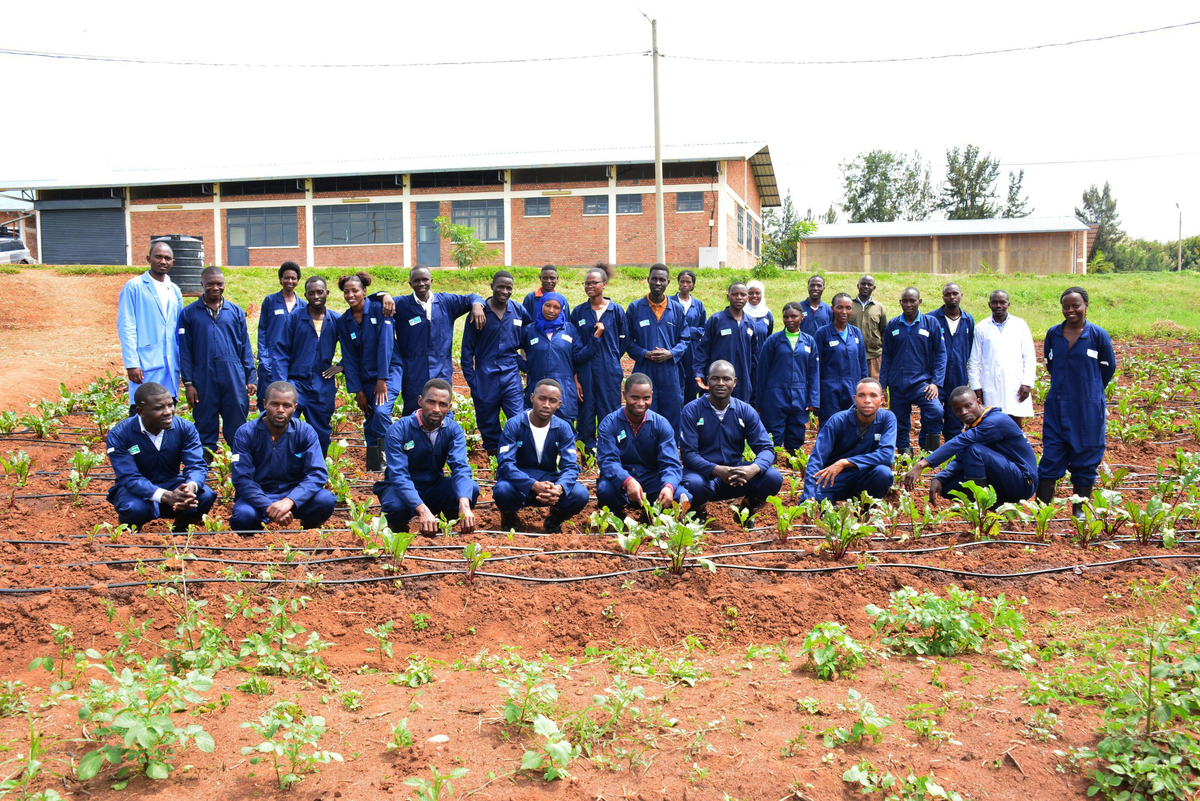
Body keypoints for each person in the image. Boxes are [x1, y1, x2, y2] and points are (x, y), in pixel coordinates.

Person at [1036, 287, 1117, 519]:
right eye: (1066, 306)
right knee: (1051, 456)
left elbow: (1108, 368)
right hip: (1057, 405)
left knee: (1086, 456)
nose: (1070, 310)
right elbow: (1051, 364)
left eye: (1075, 305)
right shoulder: (1053, 334)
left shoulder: (1098, 335)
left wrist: (1089, 390)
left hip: (1087, 408)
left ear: (1086, 306)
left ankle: (1079, 510)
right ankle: (1041, 511)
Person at [375, 378, 480, 535]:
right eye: (431, 402)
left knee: (470, 489)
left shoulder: (453, 430)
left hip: (434, 486)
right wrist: (422, 509)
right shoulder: (398, 430)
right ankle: (399, 526)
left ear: (449, 408)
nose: (436, 409)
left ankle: (442, 524)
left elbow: (460, 467)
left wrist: (464, 504)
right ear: (420, 401)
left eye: (442, 404)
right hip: (402, 488)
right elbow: (399, 476)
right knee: (394, 506)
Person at [680, 361, 783, 519]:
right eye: (715, 378)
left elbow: (766, 448)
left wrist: (753, 469)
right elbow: (688, 454)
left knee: (773, 477)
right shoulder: (692, 410)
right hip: (705, 477)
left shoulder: (745, 410)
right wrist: (715, 469)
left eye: (726, 379)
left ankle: (747, 510)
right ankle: (698, 513)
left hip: (737, 476)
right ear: (707, 381)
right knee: (692, 484)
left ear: (734, 382)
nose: (721, 383)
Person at [105, 381, 214, 530]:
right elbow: (129, 476)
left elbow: (196, 465)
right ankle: (129, 538)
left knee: (204, 496)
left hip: (172, 482)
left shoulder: (185, 428)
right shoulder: (120, 435)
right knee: (134, 508)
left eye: (170, 405)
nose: (168, 411)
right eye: (159, 408)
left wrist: (190, 488)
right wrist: (164, 495)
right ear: (141, 412)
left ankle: (180, 531)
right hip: (134, 490)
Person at [229, 381, 336, 532]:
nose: (280, 410)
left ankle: (309, 529)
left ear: (295, 407)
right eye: (275, 404)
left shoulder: (305, 432)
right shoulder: (245, 433)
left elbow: (317, 473)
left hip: (294, 495)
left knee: (325, 501)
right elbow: (242, 479)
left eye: (286, 405)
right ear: (265, 404)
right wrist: (268, 506)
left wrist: (290, 500)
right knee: (243, 516)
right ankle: (255, 540)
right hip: (259, 496)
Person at [903, 386, 1037, 505]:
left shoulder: (995, 421)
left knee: (974, 450)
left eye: (968, 406)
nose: (964, 412)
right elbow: (961, 458)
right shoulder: (974, 425)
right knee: (947, 487)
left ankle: (979, 509)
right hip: (1006, 474)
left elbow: (961, 441)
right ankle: (998, 506)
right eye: (958, 410)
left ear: (978, 402)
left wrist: (922, 464)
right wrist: (940, 478)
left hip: (1023, 481)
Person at [177, 266, 256, 455]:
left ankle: (238, 469)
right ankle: (204, 470)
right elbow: (185, 350)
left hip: (233, 376)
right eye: (210, 284)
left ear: (224, 285)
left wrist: (251, 377)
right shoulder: (189, 313)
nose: (215, 287)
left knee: (237, 424)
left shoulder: (235, 312)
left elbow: (245, 346)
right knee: (204, 424)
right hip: (203, 378)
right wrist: (188, 383)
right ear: (202, 284)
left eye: (219, 284)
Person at [493, 379, 590, 533]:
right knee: (502, 490)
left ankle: (555, 518)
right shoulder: (514, 425)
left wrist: (559, 488)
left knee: (580, 494)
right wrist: (532, 485)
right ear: (532, 398)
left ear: (559, 404)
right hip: (520, 482)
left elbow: (570, 466)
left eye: (552, 401)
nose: (546, 405)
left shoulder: (563, 428)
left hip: (549, 481)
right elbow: (505, 465)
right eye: (542, 398)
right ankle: (509, 517)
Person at [392, 266, 485, 415]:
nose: (421, 283)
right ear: (410, 284)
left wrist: (477, 305)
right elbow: (373, 302)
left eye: (424, 279)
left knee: (442, 409)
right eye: (416, 280)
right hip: (413, 371)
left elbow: (473, 297)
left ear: (431, 281)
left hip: (442, 369)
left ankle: (445, 438)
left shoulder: (446, 302)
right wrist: (383, 295)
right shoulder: (401, 304)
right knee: (413, 409)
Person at [334, 272, 400, 471]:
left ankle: (390, 460)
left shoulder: (381, 310)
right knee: (370, 414)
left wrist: (382, 379)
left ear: (364, 291)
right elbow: (350, 357)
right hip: (364, 377)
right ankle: (374, 465)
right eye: (346, 292)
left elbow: (386, 345)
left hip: (388, 372)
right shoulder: (344, 321)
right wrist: (358, 391)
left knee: (381, 412)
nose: (350, 295)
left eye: (355, 290)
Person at [461, 271, 531, 457]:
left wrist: (526, 363)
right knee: (488, 421)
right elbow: (466, 350)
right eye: (500, 286)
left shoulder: (518, 310)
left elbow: (530, 336)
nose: (505, 291)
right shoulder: (479, 312)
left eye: (509, 288)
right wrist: (472, 380)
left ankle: (518, 458)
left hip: (511, 374)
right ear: (492, 286)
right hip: (485, 375)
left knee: (518, 417)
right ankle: (494, 461)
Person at [596, 373, 688, 513]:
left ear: (651, 396)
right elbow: (608, 461)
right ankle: (618, 515)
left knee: (680, 495)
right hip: (620, 480)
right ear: (624, 395)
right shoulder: (609, 424)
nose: (640, 403)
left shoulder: (661, 424)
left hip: (651, 479)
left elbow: (670, 463)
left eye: (646, 398)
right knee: (605, 491)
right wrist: (627, 481)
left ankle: (651, 514)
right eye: (634, 397)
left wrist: (668, 486)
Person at [803, 378, 896, 503]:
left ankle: (866, 510)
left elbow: (887, 456)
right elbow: (817, 458)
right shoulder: (838, 421)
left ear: (882, 400)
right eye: (862, 395)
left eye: (873, 395)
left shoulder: (887, 419)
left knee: (883, 474)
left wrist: (845, 462)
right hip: (835, 478)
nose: (867, 400)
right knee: (816, 497)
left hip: (865, 476)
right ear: (855, 398)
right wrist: (809, 496)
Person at [276, 276, 341, 455]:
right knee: (287, 425)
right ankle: (289, 465)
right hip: (296, 382)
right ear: (306, 295)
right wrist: (283, 383)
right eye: (311, 293)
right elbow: (281, 351)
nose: (316, 296)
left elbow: (354, 347)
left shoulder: (336, 319)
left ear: (327, 293)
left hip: (323, 383)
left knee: (321, 430)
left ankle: (317, 470)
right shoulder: (295, 318)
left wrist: (341, 366)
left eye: (320, 292)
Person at [117, 242, 184, 414]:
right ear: (148, 259)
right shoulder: (134, 287)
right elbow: (127, 326)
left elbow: (179, 330)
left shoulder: (174, 291)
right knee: (143, 409)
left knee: (167, 410)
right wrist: (132, 363)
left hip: (170, 364)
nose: (163, 261)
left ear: (173, 263)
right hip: (145, 363)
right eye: (158, 257)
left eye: (167, 258)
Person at [880, 287, 946, 456]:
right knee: (899, 421)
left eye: (912, 301)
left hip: (922, 382)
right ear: (900, 302)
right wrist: (882, 386)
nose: (908, 304)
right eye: (905, 301)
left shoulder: (931, 323)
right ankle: (905, 456)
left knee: (935, 410)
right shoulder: (893, 325)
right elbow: (886, 356)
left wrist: (936, 383)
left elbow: (940, 353)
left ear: (919, 302)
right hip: (897, 383)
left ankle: (928, 451)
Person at [626, 264, 690, 435]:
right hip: (644, 368)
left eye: (662, 280)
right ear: (648, 280)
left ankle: (671, 450)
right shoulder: (635, 308)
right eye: (654, 279)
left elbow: (685, 338)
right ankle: (645, 448)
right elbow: (627, 340)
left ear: (668, 282)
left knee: (673, 409)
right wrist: (644, 354)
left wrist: (671, 353)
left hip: (670, 370)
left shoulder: (676, 309)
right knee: (644, 410)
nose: (657, 283)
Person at [570, 263, 627, 455]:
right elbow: (574, 346)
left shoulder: (616, 311)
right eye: (586, 283)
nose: (589, 286)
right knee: (585, 410)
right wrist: (576, 377)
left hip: (609, 370)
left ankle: (608, 449)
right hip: (585, 370)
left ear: (604, 284)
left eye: (594, 283)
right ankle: (586, 450)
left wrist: (610, 358)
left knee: (609, 409)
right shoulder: (578, 312)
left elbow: (624, 341)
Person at [757, 303, 820, 452]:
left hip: (800, 396)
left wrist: (813, 399)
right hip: (775, 396)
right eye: (786, 317)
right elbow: (762, 371)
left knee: (796, 435)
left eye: (794, 316)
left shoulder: (809, 341)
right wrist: (759, 401)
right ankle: (770, 469)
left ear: (802, 318)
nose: (789, 320)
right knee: (773, 436)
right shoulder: (773, 341)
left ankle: (794, 470)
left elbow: (814, 372)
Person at [968, 290, 1036, 426]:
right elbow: (974, 360)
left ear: (1008, 304)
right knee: (991, 421)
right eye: (994, 302)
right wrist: (976, 386)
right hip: (990, 382)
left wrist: (1027, 383)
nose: (998, 305)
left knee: (1015, 422)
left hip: (1015, 383)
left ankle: (1014, 447)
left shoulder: (1020, 325)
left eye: (1002, 302)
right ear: (989, 304)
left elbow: (1029, 356)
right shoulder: (981, 327)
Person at [520, 292, 579, 429]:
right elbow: (510, 347)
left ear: (562, 309)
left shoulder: (569, 329)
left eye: (556, 307)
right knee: (535, 426)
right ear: (541, 306)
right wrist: (523, 365)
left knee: (565, 426)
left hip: (564, 386)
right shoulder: (529, 330)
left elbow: (578, 356)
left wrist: (596, 339)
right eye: (547, 305)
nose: (551, 310)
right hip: (537, 383)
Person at [694, 281, 760, 405]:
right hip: (718, 380)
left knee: (739, 415)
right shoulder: (716, 320)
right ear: (728, 296)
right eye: (735, 294)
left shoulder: (750, 323)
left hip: (742, 382)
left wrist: (754, 385)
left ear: (748, 297)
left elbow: (754, 357)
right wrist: (699, 373)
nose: (739, 297)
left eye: (743, 294)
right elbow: (703, 350)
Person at [926, 283, 975, 440]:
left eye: (955, 293)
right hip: (936, 378)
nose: (952, 297)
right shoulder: (931, 318)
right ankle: (929, 455)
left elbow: (969, 347)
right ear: (943, 297)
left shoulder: (968, 320)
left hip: (958, 377)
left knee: (956, 417)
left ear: (961, 295)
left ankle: (953, 458)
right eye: (948, 294)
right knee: (932, 415)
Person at [256, 262, 305, 412]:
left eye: (293, 278)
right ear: (280, 279)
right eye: (286, 278)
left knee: (286, 398)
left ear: (298, 280)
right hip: (270, 359)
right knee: (267, 396)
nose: (290, 281)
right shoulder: (270, 301)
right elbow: (262, 330)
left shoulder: (302, 305)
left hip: (291, 360)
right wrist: (263, 357)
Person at [813, 293, 868, 427]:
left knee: (852, 425)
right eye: (839, 307)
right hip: (829, 390)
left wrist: (864, 389)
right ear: (832, 308)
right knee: (829, 426)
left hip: (852, 388)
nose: (844, 312)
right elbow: (815, 367)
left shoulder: (856, 333)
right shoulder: (822, 333)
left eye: (848, 308)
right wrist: (815, 396)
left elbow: (862, 363)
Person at [673, 270, 707, 403]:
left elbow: (703, 329)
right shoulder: (670, 301)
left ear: (693, 285)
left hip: (693, 350)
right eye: (682, 281)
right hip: (675, 349)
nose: (685, 285)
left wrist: (683, 330)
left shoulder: (698, 305)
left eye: (688, 282)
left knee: (691, 385)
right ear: (678, 283)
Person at [849, 275, 888, 379]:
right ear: (858, 286)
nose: (866, 286)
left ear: (873, 288)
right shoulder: (849, 305)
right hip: (852, 355)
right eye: (863, 284)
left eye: (869, 285)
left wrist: (882, 351)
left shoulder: (879, 308)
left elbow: (884, 331)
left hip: (874, 356)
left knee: (874, 386)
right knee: (854, 387)